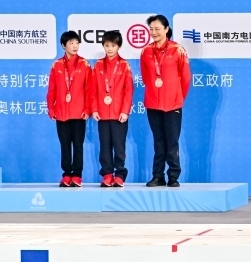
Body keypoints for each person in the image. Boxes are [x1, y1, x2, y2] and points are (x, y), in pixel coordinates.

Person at [140, 15, 191, 188]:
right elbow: (146, 77)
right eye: (151, 29)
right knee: (158, 141)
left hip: (173, 104)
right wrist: (155, 91)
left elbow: (185, 78)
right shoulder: (146, 51)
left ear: (166, 29)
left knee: (172, 141)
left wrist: (177, 97)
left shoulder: (178, 50)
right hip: (153, 103)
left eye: (157, 29)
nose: (154, 32)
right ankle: (158, 176)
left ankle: (174, 176)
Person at [46, 31, 91, 187]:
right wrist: (51, 108)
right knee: (64, 145)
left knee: (78, 145)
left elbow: (89, 89)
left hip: (79, 113)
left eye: (77, 43)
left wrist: (88, 109)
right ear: (63, 46)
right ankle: (66, 174)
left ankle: (77, 175)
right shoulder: (57, 65)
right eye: (71, 43)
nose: (75, 46)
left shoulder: (84, 64)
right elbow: (52, 89)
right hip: (61, 112)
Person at [89, 30, 133, 187]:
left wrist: (125, 111)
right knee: (105, 146)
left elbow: (128, 90)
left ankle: (120, 174)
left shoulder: (124, 65)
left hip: (119, 113)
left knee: (119, 147)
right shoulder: (98, 65)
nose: (109, 49)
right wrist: (94, 109)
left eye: (113, 45)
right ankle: (107, 174)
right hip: (102, 113)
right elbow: (92, 89)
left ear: (119, 46)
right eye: (107, 45)